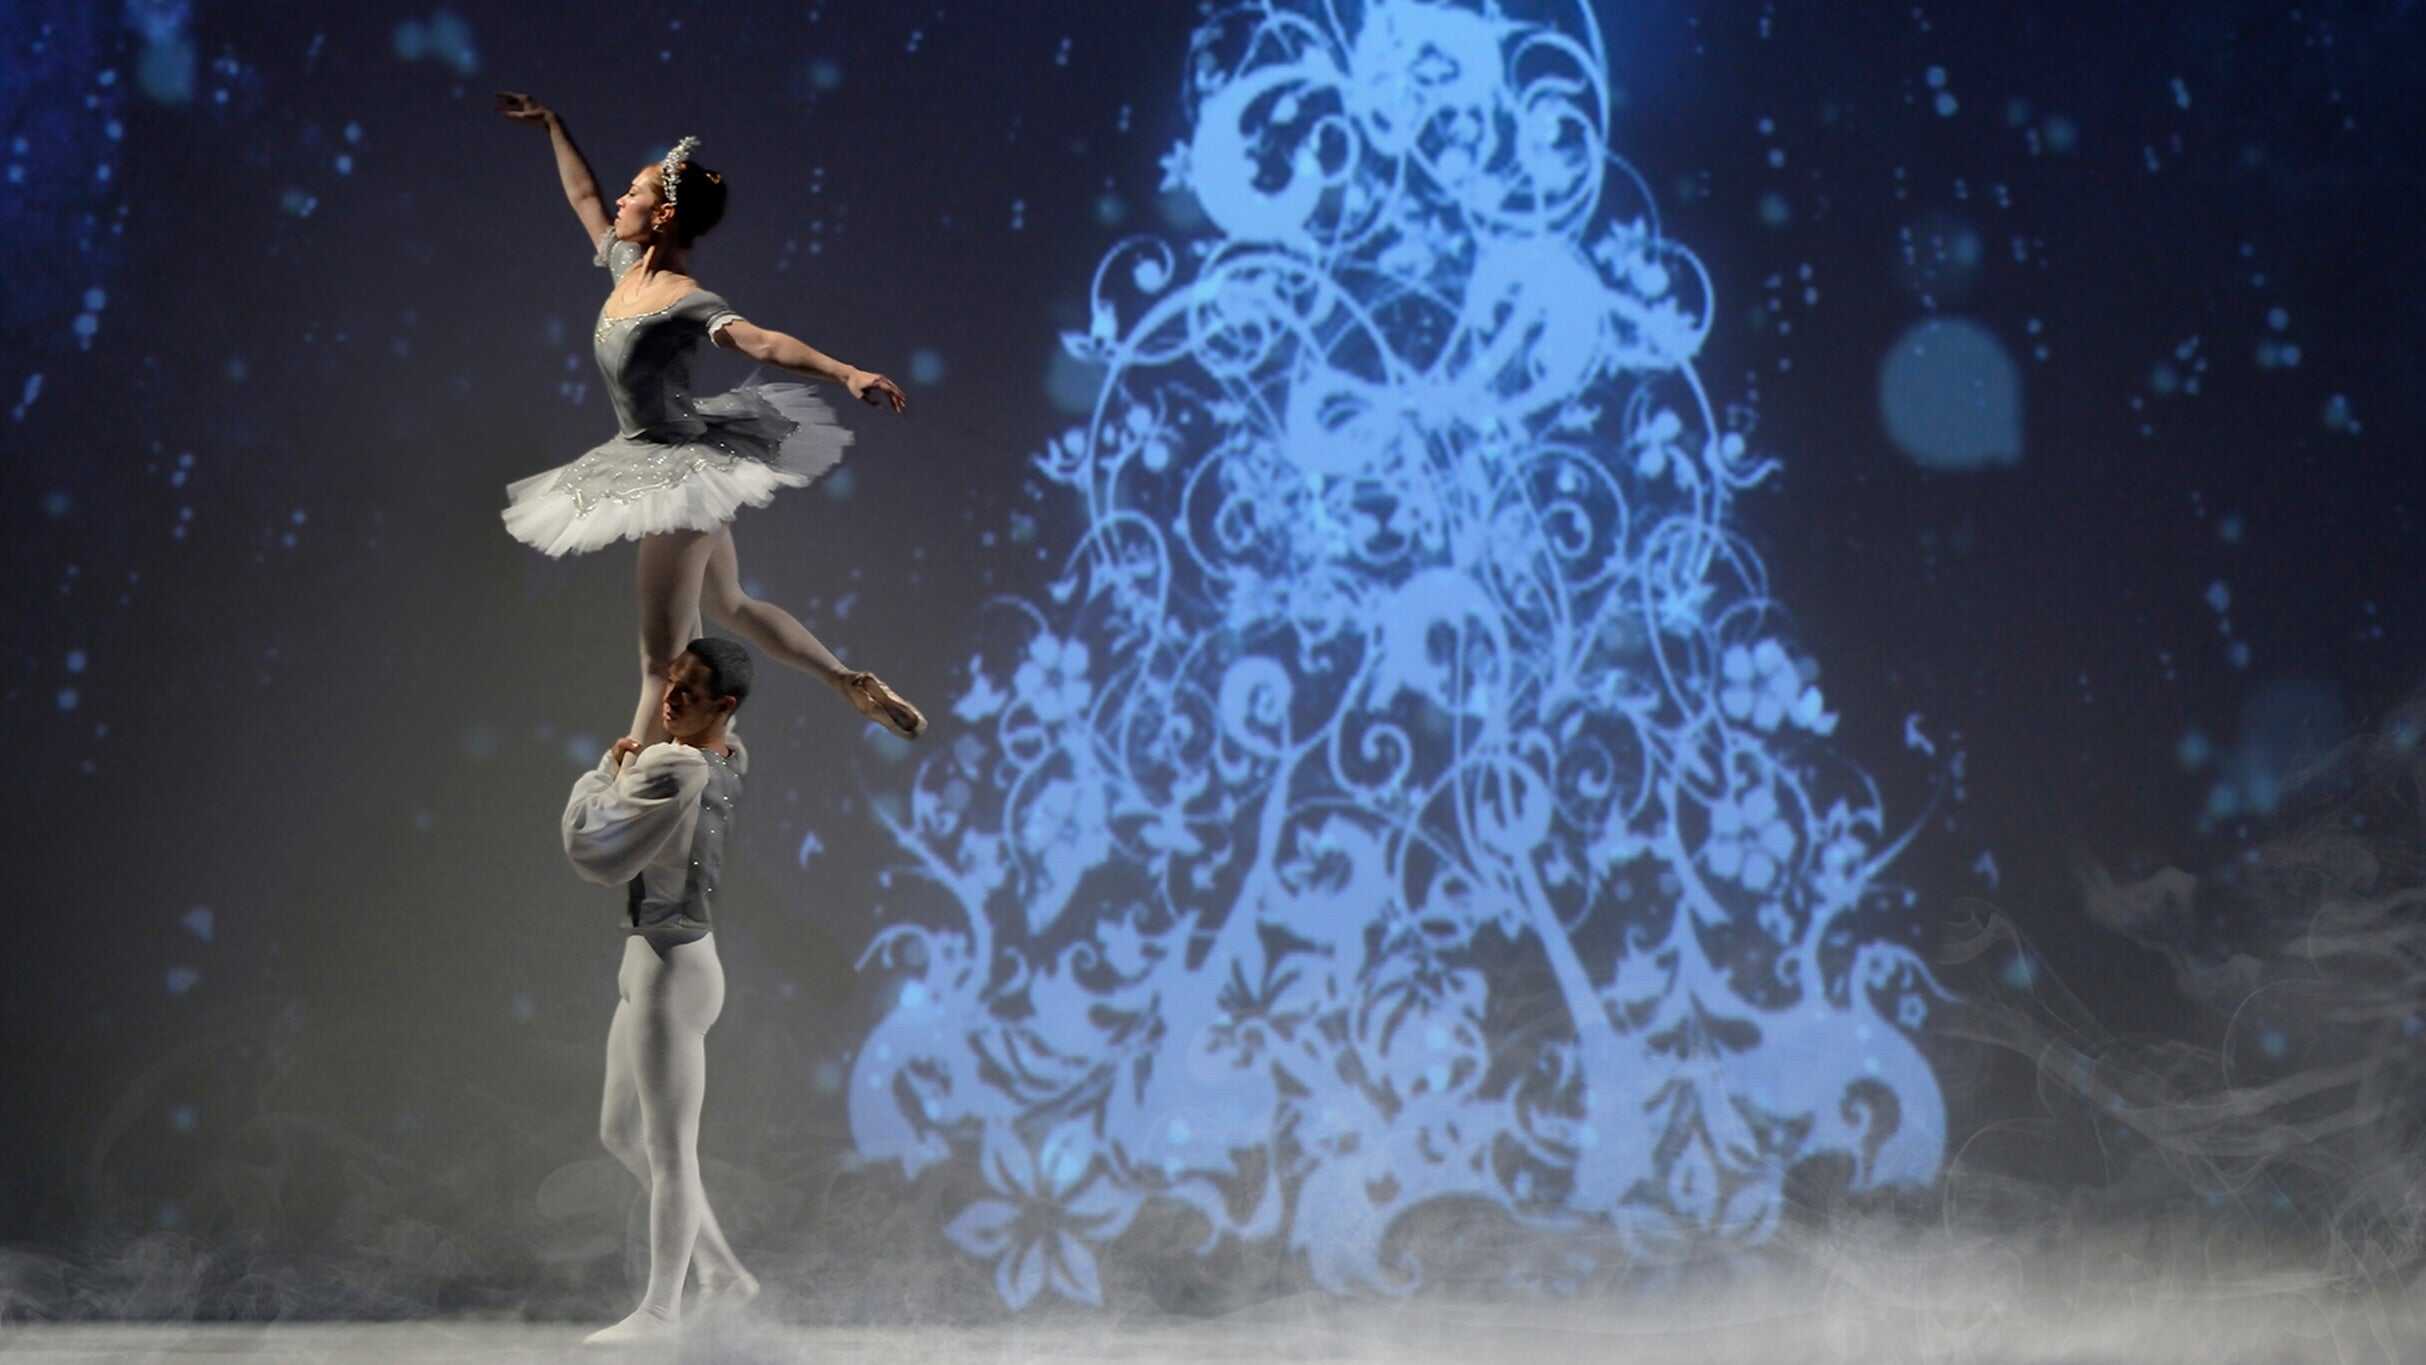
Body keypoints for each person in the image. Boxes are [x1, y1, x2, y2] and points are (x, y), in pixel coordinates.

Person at [495, 92, 926, 744]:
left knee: (660, 666)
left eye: (633, 194)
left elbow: (762, 342)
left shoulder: (684, 299)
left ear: (663, 214)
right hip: (664, 455)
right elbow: (584, 197)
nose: (619, 202)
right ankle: (847, 681)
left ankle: (627, 781)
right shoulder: (625, 267)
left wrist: (845, 372)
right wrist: (554, 125)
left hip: (678, 476)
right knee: (730, 603)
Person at [561, 637, 765, 1345]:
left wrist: (607, 770)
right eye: (670, 683)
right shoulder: (731, 755)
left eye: (688, 691)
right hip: (661, 963)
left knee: (671, 1149)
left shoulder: (672, 765)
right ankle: (725, 1274)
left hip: (670, 970)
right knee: (621, 1132)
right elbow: (705, 713)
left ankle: (660, 1310)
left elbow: (591, 844)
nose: (670, 700)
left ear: (723, 705)